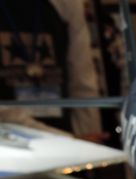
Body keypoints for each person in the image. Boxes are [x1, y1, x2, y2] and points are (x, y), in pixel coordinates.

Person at [0, 0, 103, 139]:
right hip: (11, 142)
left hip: (66, 137)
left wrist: (88, 140)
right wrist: (69, 140)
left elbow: (83, 83)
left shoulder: (67, 5)